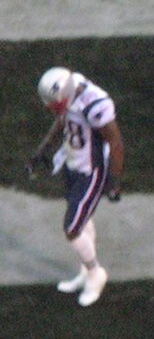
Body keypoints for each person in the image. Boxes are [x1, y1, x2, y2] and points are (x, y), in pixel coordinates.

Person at [26, 67, 124, 307]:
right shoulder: (71, 92)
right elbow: (63, 120)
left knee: (72, 228)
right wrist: (42, 150)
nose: (50, 106)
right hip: (73, 162)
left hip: (92, 170)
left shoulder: (95, 104)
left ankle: (94, 273)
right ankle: (85, 270)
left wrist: (114, 180)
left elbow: (116, 142)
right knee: (81, 219)